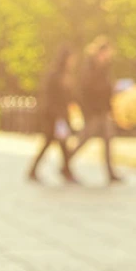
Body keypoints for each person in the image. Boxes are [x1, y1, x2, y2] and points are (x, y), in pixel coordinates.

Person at [69, 37, 123, 184]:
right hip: (93, 111)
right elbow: (85, 91)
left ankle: (110, 173)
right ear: (100, 52)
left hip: (103, 111)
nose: (108, 57)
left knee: (107, 140)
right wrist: (88, 111)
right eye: (106, 53)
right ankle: (66, 162)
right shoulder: (89, 68)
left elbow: (106, 91)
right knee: (84, 139)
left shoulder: (104, 68)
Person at [27, 48, 80, 184]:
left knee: (56, 143)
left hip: (60, 115)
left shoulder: (65, 75)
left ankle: (62, 170)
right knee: (56, 143)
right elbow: (51, 97)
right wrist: (57, 115)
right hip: (55, 116)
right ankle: (65, 171)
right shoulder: (56, 76)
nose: (73, 62)